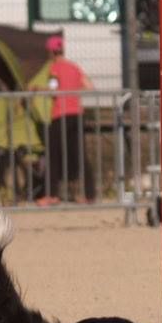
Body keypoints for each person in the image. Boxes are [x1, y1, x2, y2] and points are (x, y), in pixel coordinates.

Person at [35, 35, 95, 205]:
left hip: (60, 115)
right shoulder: (74, 67)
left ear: (51, 52)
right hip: (76, 114)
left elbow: (54, 90)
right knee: (80, 156)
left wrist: (38, 89)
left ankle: (51, 195)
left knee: (53, 156)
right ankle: (90, 195)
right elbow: (89, 86)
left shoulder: (54, 68)